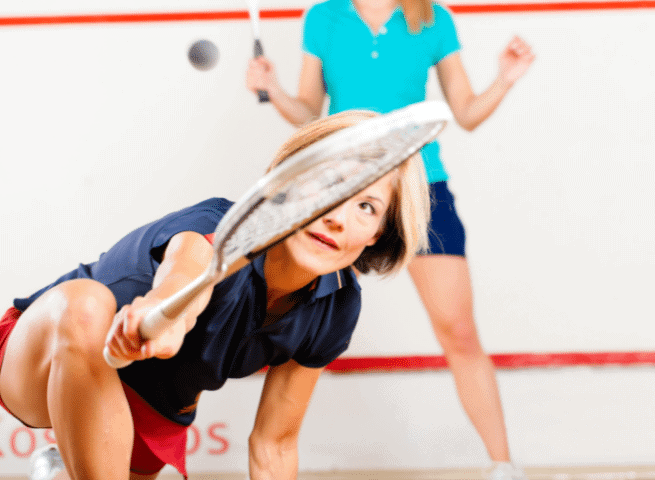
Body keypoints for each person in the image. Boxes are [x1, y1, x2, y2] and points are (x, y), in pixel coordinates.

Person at [0, 110, 431, 480]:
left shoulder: (336, 305)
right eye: (331, 185)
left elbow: (275, 444)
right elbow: (186, 266)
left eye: (367, 207)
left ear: (379, 234)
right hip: (41, 358)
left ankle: (59, 465)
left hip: (147, 415)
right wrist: (168, 317)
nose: (338, 216)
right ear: (292, 179)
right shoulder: (217, 225)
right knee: (85, 306)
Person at [245, 1, 535, 479]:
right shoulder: (324, 18)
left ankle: (504, 467)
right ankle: (273, 458)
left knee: (459, 332)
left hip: (422, 189)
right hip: (340, 191)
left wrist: (505, 78)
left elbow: (465, 113)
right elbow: (308, 114)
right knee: (302, 323)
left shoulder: (433, 18)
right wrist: (272, 89)